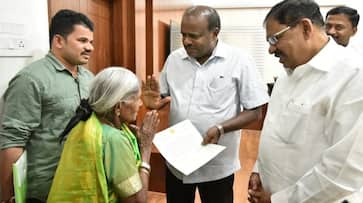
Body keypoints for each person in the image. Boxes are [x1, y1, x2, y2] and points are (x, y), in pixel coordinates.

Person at [142, 5, 269, 203]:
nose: (186, 41)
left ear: (215, 33)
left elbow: (255, 112)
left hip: (216, 166)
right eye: (183, 35)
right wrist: (153, 103)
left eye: (193, 36)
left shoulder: (240, 61)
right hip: (178, 161)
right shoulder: (175, 59)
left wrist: (220, 128)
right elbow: (162, 97)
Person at [248, 0, 363, 202]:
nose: (270, 50)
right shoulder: (287, 73)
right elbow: (273, 129)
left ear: (305, 27)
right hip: (271, 192)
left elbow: (343, 171)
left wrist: (279, 200)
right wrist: (259, 169)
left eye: (275, 39)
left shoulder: (353, 76)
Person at [0, 9, 94, 203]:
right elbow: (12, 141)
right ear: (58, 41)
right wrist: (8, 197)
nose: (90, 47)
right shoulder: (31, 79)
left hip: (83, 184)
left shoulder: (89, 78)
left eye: (91, 42)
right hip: (45, 192)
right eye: (82, 41)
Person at [47, 67, 159, 203]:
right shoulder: (114, 139)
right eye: (137, 99)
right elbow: (137, 200)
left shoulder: (84, 123)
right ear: (118, 107)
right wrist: (146, 149)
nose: (140, 104)